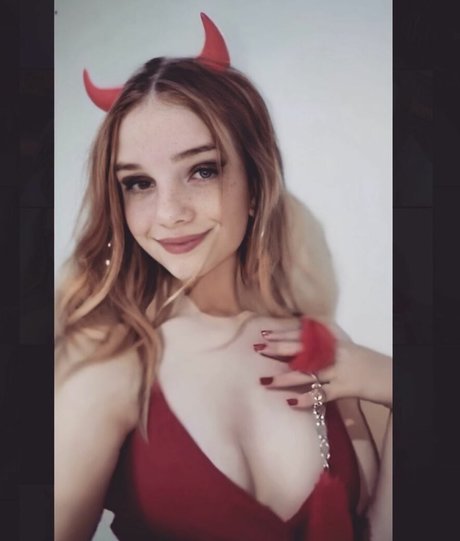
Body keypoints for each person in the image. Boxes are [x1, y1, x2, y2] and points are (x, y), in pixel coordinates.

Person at [55, 13, 392, 541]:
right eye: (139, 183)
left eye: (202, 170)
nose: (169, 213)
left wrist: (395, 383)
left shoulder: (328, 347)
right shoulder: (110, 363)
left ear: (256, 183)